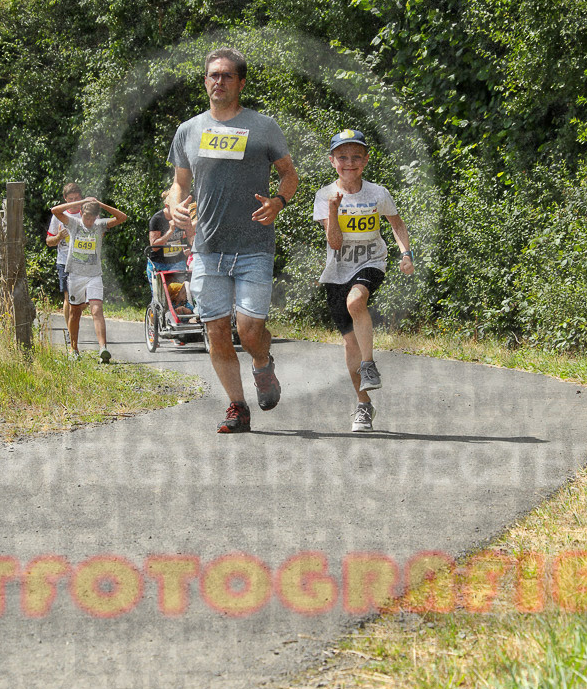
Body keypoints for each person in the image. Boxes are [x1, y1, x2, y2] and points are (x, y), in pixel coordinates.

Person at [168, 46, 298, 434]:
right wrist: (175, 205)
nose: (218, 81)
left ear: (240, 82)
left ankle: (262, 364)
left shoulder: (263, 126)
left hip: (254, 246)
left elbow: (289, 175)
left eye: (227, 75)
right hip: (207, 247)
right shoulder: (188, 130)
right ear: (205, 81)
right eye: (213, 75)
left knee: (249, 330)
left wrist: (279, 201)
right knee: (215, 331)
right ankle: (237, 407)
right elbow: (179, 183)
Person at [313, 129, 415, 432]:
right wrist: (333, 208)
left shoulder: (377, 193)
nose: (349, 163)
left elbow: (396, 224)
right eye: (342, 157)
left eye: (356, 157)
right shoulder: (323, 196)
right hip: (337, 271)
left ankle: (369, 365)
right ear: (332, 161)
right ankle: (363, 405)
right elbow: (334, 243)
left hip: (372, 262)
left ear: (366, 160)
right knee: (349, 345)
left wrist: (406, 253)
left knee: (356, 300)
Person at [51, 196, 127, 363]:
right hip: (75, 276)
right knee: (75, 312)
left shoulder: (99, 225)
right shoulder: (74, 223)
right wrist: (80, 202)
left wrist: (100, 204)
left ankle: (103, 349)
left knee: (96, 310)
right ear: (81, 214)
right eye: (86, 217)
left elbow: (122, 217)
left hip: (94, 275)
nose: (89, 221)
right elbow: (55, 211)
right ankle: (74, 349)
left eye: (92, 217)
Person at [46, 181, 83, 331]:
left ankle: (74, 324)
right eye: (71, 199)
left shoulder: (86, 214)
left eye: (77, 199)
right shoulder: (59, 216)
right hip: (65, 262)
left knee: (85, 301)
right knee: (69, 298)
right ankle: (70, 330)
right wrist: (59, 236)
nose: (74, 203)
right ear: (65, 199)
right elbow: (49, 241)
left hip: (86, 263)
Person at [146, 189, 193, 287]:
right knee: (161, 296)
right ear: (167, 206)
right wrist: (170, 231)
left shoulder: (182, 216)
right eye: (175, 208)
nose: (177, 211)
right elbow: (154, 246)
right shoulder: (157, 219)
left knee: (178, 292)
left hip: (177, 261)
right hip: (159, 263)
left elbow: (190, 237)